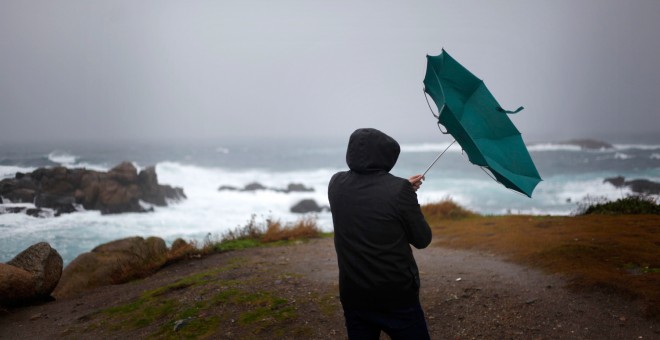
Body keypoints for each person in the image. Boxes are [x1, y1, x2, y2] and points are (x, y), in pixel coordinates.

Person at [328, 128, 432, 339]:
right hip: (395, 295)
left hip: (353, 291)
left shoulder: (336, 183)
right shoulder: (398, 191)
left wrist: (402, 190)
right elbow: (422, 239)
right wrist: (406, 195)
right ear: (388, 156)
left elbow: (370, 197)